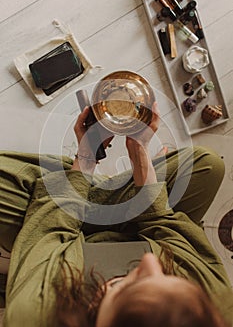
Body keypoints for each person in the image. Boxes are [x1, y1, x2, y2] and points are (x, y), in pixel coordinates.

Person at [0, 102, 232, 327]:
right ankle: (91, 197)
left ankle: (80, 193)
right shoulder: (214, 306)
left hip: (61, 246)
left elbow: (48, 231)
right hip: (138, 231)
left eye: (132, 284)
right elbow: (166, 227)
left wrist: (86, 158)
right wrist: (140, 157)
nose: (150, 262)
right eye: (167, 276)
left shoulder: (34, 315)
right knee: (207, 166)